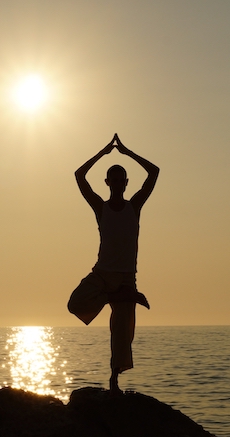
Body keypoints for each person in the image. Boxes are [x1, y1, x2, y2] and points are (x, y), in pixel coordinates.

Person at [68, 133, 159, 396]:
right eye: (114, 180)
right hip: (103, 273)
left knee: (121, 335)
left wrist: (127, 152)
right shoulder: (100, 207)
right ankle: (115, 296)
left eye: (122, 181)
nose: (118, 184)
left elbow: (154, 172)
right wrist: (104, 152)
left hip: (126, 276)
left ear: (126, 183)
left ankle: (114, 382)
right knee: (75, 303)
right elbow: (79, 176)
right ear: (107, 182)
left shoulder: (135, 206)